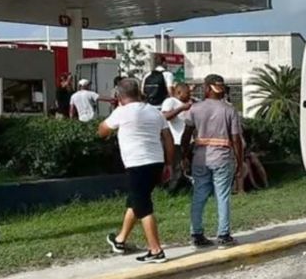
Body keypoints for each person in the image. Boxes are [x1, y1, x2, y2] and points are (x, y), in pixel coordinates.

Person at [99, 78, 175, 264]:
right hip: (156, 161)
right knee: (135, 199)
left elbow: (102, 131)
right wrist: (169, 164)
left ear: (119, 95)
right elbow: (168, 138)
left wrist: (116, 111)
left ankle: (156, 250)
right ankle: (120, 240)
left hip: (137, 163)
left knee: (143, 207)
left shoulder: (121, 112)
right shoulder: (154, 112)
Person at [181, 74, 243, 247]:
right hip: (222, 158)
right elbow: (236, 139)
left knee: (199, 195)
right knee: (222, 196)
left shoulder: (195, 109)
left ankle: (197, 234)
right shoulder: (229, 110)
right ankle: (223, 235)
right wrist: (239, 161)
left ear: (207, 88)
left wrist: (184, 156)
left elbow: (186, 135)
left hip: (200, 158)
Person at [160, 83, 193, 193]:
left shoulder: (186, 103)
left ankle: (182, 188)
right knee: (176, 167)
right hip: (174, 140)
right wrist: (181, 109)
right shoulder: (171, 102)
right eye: (187, 93)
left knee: (183, 166)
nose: (189, 95)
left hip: (185, 140)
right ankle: (170, 190)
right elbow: (165, 117)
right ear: (179, 92)